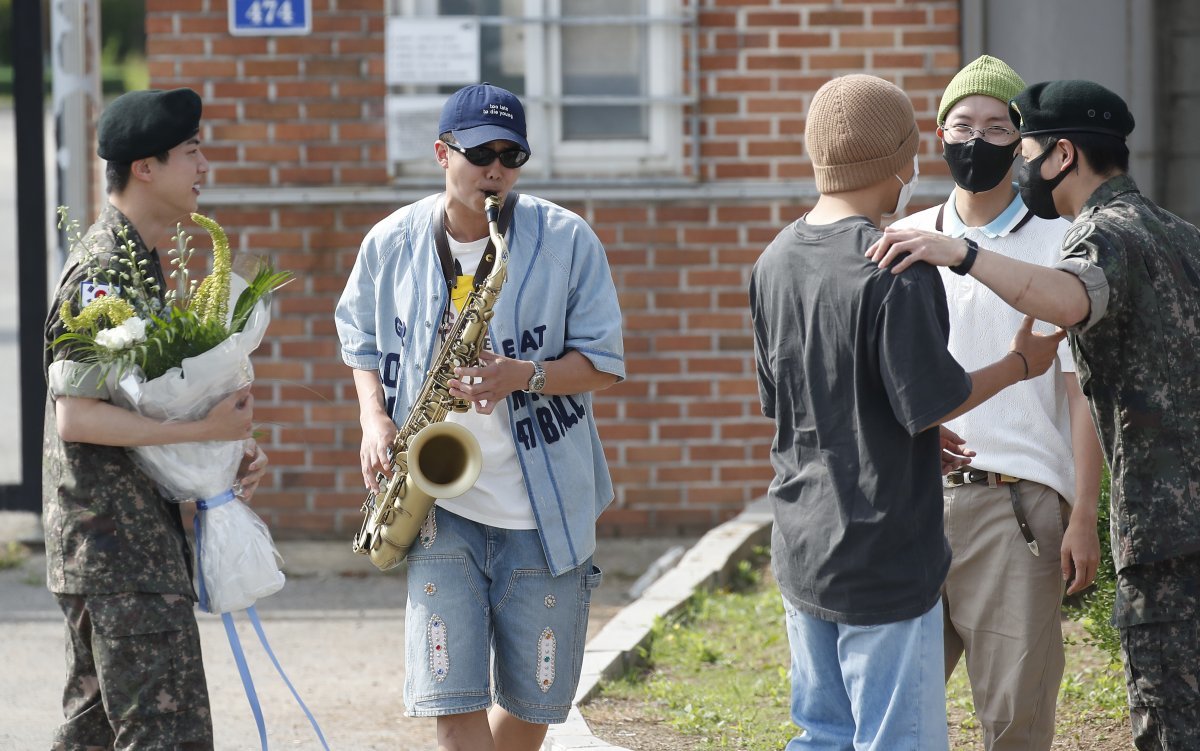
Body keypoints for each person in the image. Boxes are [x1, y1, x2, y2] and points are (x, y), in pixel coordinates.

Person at [867, 79, 1200, 751]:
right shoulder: (1182, 236)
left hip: (1154, 528)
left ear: (1061, 155)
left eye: (1022, 145)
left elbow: (1069, 300)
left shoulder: (1103, 236)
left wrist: (962, 253)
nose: (1013, 161)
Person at [749, 73, 1067, 750]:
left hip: (802, 540)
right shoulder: (896, 263)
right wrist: (1019, 366)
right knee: (896, 739)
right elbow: (938, 396)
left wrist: (922, 429)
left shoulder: (773, 260)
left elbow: (795, 401)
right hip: (885, 551)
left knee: (822, 733)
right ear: (902, 162)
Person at [335, 83, 624, 751]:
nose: (495, 169)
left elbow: (605, 361)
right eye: (479, 153)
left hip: (541, 508)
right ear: (442, 152)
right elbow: (360, 341)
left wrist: (522, 375)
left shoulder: (566, 240)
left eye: (511, 155)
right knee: (451, 700)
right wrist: (372, 418)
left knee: (535, 704)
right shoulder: (390, 242)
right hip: (441, 507)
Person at [889, 56, 1104, 750]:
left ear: (1023, 143)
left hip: (1019, 510)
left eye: (996, 126)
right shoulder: (905, 238)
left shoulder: (1059, 244)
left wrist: (1083, 513)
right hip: (912, 502)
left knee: (1015, 718)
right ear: (938, 134)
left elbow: (1080, 390)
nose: (975, 140)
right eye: (961, 124)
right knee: (896, 715)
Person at [42, 87, 268, 749]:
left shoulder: (142, 265)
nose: (205, 167)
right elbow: (77, 416)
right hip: (118, 550)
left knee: (93, 734)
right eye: (192, 152)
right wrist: (201, 432)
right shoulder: (102, 274)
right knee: (166, 735)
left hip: (126, 544)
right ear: (146, 167)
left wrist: (219, 458)